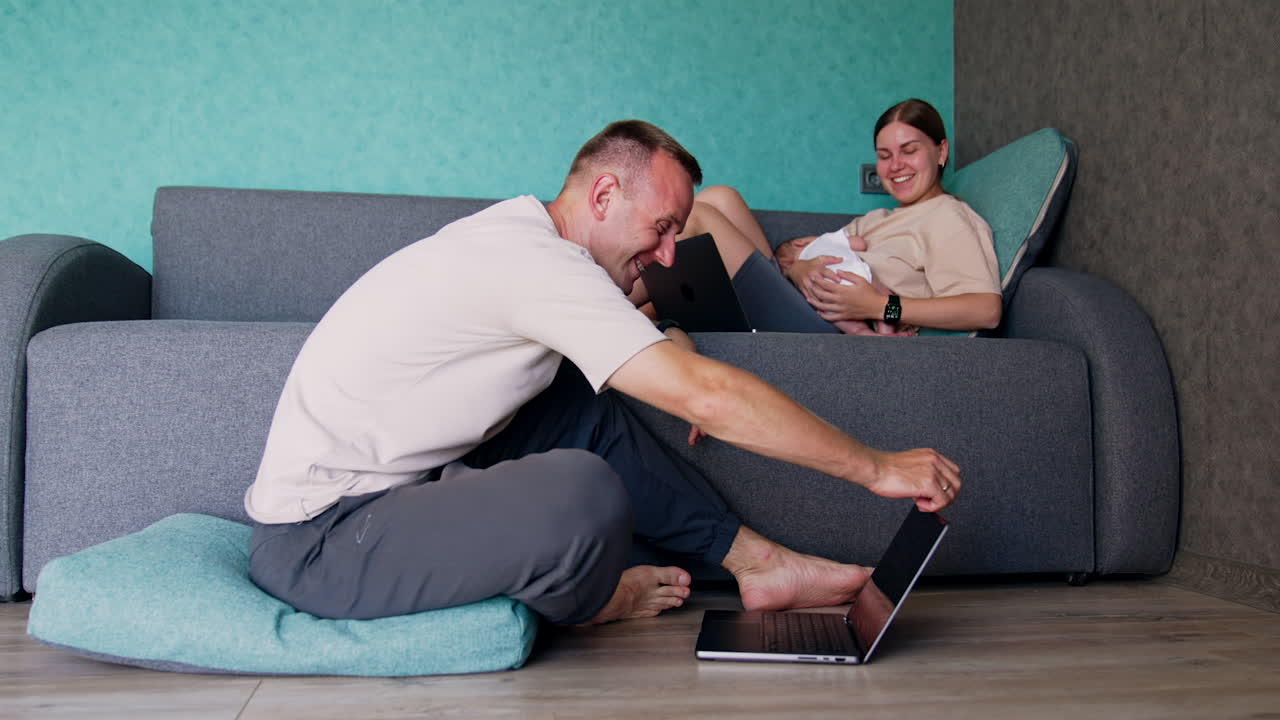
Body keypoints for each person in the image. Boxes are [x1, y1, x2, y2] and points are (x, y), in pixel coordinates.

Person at [243, 119, 962, 627]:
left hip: (384, 502)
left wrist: (668, 337)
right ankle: (592, 608)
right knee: (582, 490)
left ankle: (758, 561)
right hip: (323, 544)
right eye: (662, 228)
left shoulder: (523, 237)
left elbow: (632, 348)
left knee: (575, 404)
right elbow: (708, 398)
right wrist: (877, 467)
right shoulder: (534, 265)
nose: (671, 253)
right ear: (603, 196)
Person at [634, 99, 1002, 336]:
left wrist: (877, 307)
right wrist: (797, 270)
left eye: (910, 151)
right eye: (885, 155)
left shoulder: (948, 217)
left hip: (826, 326)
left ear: (941, 152)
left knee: (699, 217)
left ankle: (611, 296)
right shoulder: (877, 218)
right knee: (720, 197)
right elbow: (816, 253)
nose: (896, 166)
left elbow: (985, 309)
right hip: (797, 297)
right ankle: (639, 308)